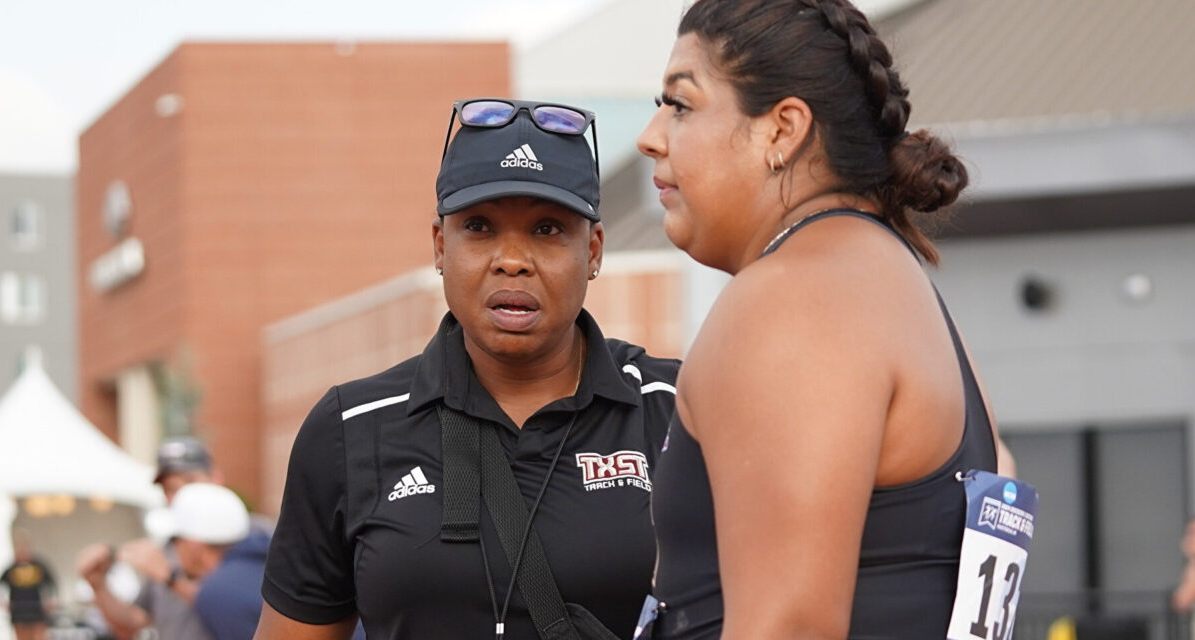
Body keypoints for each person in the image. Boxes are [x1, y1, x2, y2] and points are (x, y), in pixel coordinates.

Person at [635, 0, 1015, 637]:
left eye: (680, 104)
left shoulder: (793, 298)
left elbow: (789, 626)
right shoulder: (886, 283)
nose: (651, 136)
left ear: (782, 129)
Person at [256, 97, 679, 639]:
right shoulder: (351, 428)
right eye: (479, 227)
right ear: (439, 246)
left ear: (593, 250)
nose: (511, 258)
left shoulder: (677, 406)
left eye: (548, 230)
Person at [77, 437, 217, 640]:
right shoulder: (166, 551)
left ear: (215, 478)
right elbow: (132, 623)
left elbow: (241, 610)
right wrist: (98, 585)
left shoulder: (251, 542)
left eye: (189, 482)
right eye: (170, 488)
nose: (181, 495)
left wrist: (172, 580)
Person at [169, 483, 271, 640]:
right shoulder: (268, 563)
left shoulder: (218, 591)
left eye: (175, 541)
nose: (173, 550)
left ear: (193, 546)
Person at [0, 529, 57, 640]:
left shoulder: (38, 566)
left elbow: (52, 583)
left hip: (36, 611)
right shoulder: (11, 569)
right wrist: (2, 602)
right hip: (19, 612)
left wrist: (50, 599)